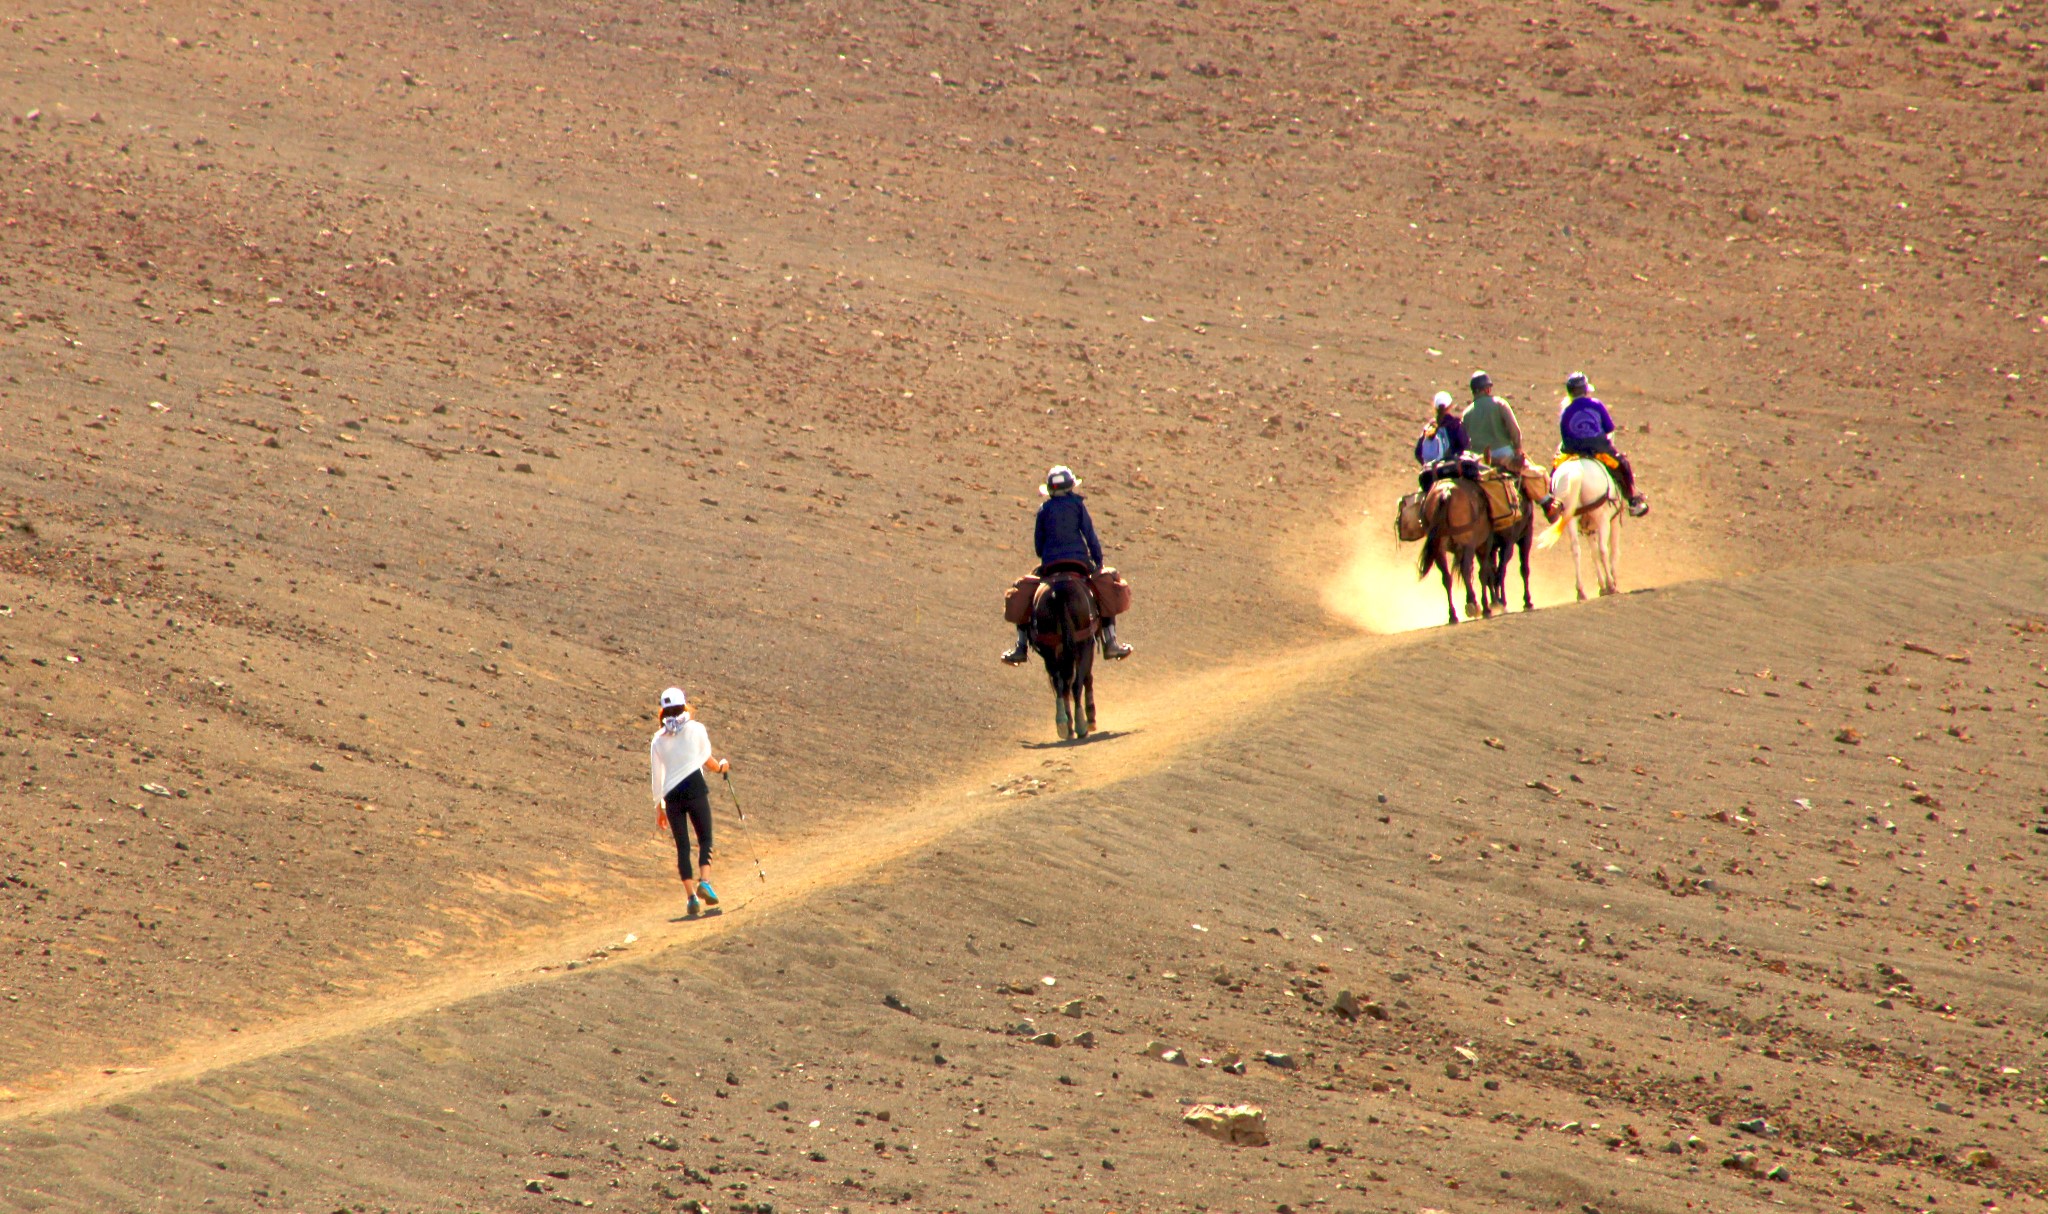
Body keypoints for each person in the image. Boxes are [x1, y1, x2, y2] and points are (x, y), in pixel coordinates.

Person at [1001, 465, 1132, 664]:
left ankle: (1021, 646)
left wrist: (1048, 556)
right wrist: (1098, 562)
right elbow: (1090, 535)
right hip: (1079, 561)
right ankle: (1111, 640)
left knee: (1024, 590)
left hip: (1051, 563)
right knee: (1104, 587)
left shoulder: (1044, 509)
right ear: (1071, 487)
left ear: (1051, 491)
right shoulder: (1078, 505)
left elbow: (1038, 544)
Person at [648, 686, 730, 916]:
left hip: (672, 796)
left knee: (682, 847)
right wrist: (723, 767)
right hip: (694, 788)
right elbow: (708, 761)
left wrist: (659, 807)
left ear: (662, 711)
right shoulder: (696, 729)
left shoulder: (658, 739)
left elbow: (657, 775)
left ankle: (691, 897)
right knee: (705, 838)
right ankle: (705, 881)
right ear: (684, 705)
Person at [1557, 372, 1649, 516]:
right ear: (1586, 390)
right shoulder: (1596, 404)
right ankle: (1633, 500)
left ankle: (1552, 503)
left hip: (1573, 449)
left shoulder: (1566, 411)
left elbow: (1564, 435)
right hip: (1598, 446)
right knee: (1622, 463)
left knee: (1556, 469)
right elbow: (1609, 429)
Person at [1462, 370, 1525, 470]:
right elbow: (1514, 430)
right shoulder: (1499, 403)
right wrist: (1518, 449)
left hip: (1478, 459)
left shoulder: (1466, 413)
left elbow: (1465, 441)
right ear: (1487, 389)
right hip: (1503, 455)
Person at [1414, 391, 1469, 465]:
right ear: (1451, 406)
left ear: (1434, 407)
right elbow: (1465, 447)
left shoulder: (1429, 427)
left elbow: (1418, 453)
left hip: (1432, 472)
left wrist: (1428, 467)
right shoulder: (1456, 425)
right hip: (1452, 469)